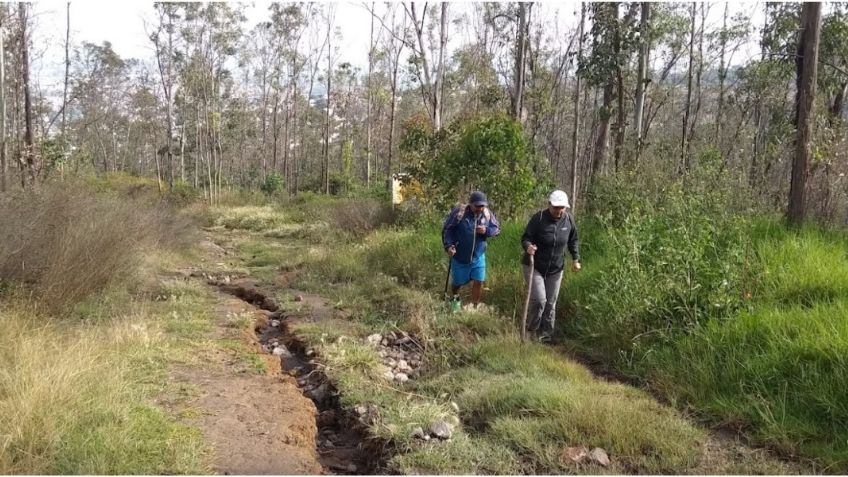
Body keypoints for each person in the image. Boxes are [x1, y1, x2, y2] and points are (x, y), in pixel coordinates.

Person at [520, 189, 581, 343]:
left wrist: (575, 258)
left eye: (561, 207)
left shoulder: (569, 221)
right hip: (535, 267)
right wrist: (528, 247)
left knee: (550, 303)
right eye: (555, 207)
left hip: (556, 268)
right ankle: (530, 332)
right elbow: (526, 238)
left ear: (566, 208)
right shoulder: (539, 218)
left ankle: (545, 336)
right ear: (549, 205)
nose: (558, 210)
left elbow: (573, 240)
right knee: (540, 300)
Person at [442, 191, 501, 310]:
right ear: (470, 204)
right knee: (457, 283)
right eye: (477, 206)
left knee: (479, 281)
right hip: (460, 256)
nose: (480, 208)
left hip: (478, 256)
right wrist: (449, 246)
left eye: (482, 206)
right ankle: (455, 300)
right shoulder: (459, 213)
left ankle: (475, 306)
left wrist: (486, 231)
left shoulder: (486, 214)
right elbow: (448, 230)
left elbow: (496, 229)